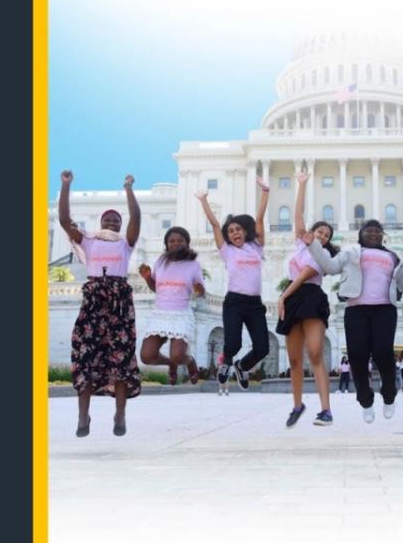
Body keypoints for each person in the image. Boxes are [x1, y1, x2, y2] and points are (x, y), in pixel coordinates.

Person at [306, 219, 403, 422]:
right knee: (357, 356)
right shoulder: (351, 251)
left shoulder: (392, 256)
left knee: (383, 353)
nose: (374, 234)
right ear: (361, 234)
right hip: (356, 310)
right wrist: (313, 245)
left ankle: (389, 395)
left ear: (382, 236)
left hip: (385, 310)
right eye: (369, 231)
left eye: (378, 231)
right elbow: (331, 267)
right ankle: (365, 400)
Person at [58, 170, 142, 437]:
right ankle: (83, 417)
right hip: (94, 301)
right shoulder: (89, 240)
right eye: (108, 219)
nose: (112, 222)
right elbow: (63, 220)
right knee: (86, 355)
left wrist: (128, 189)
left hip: (119, 301)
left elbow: (136, 218)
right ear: (100, 222)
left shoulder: (125, 244)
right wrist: (66, 185)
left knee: (121, 357)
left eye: (116, 220)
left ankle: (120, 414)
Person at [275, 170, 335, 427]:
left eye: (326, 235)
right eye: (319, 232)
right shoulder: (301, 245)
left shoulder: (324, 257)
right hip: (292, 297)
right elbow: (298, 215)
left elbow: (303, 277)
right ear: (311, 232)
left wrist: (282, 297)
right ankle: (297, 405)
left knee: (315, 352)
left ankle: (326, 410)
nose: (321, 236)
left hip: (309, 296)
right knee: (294, 359)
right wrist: (301, 185)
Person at [198, 179, 270, 392]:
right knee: (234, 344)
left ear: (245, 231)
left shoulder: (256, 247)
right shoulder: (227, 251)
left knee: (262, 348)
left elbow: (259, 218)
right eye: (231, 231)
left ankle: (242, 366)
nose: (235, 233)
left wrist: (265, 191)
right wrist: (203, 201)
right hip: (234, 302)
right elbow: (214, 224)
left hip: (255, 304)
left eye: (238, 229)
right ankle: (226, 362)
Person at [138, 227, 205, 385]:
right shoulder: (160, 261)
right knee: (147, 356)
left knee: (178, 355)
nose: (176, 243)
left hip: (181, 314)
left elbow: (201, 291)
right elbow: (156, 288)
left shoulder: (193, 265)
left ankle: (190, 363)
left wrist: (198, 289)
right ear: (166, 244)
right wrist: (148, 278)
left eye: (180, 240)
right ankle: (170, 364)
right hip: (160, 314)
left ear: (187, 243)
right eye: (172, 241)